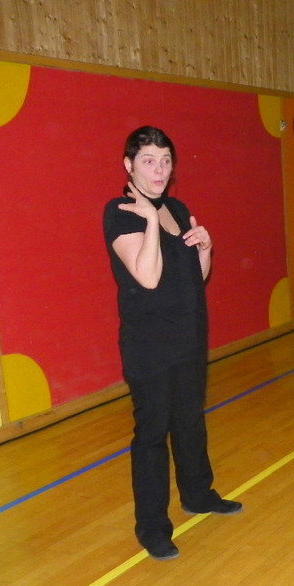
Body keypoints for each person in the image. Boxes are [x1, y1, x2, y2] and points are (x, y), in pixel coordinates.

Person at [103, 126, 242, 561]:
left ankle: (198, 494)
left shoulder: (178, 209)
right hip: (149, 343)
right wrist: (148, 220)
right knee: (152, 431)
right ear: (129, 165)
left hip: (188, 334)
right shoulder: (121, 212)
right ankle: (152, 526)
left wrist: (205, 248)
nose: (159, 170)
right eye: (149, 161)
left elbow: (193, 278)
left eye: (165, 161)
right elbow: (147, 277)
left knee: (189, 420)